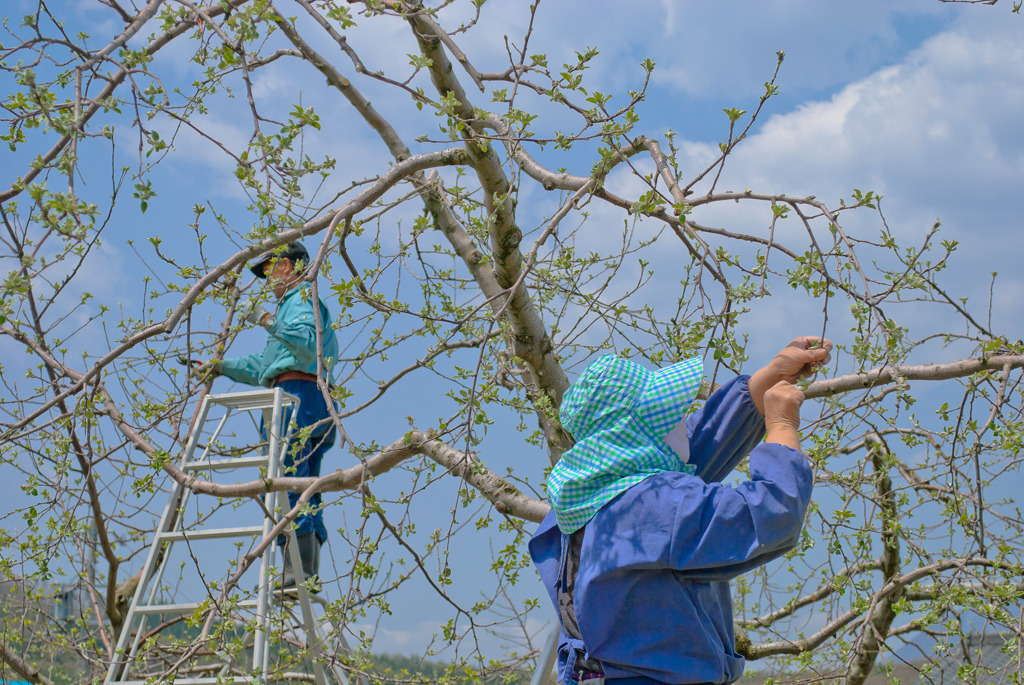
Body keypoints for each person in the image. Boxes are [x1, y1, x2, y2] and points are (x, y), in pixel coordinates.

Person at [529, 337, 832, 685]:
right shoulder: (652, 504)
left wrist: (760, 386)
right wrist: (782, 427)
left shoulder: (583, 498)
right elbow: (772, 513)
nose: (682, 420)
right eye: (670, 415)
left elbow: (685, 459)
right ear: (641, 434)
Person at [195, 241, 340, 593]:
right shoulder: (291, 305)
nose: (268, 278)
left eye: (271, 268)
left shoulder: (302, 299)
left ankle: (297, 570)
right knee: (303, 484)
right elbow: (266, 366)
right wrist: (222, 367)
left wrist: (266, 320)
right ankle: (304, 570)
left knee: (289, 479)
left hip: (299, 396)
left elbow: (307, 343)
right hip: (302, 395)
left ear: (288, 266)